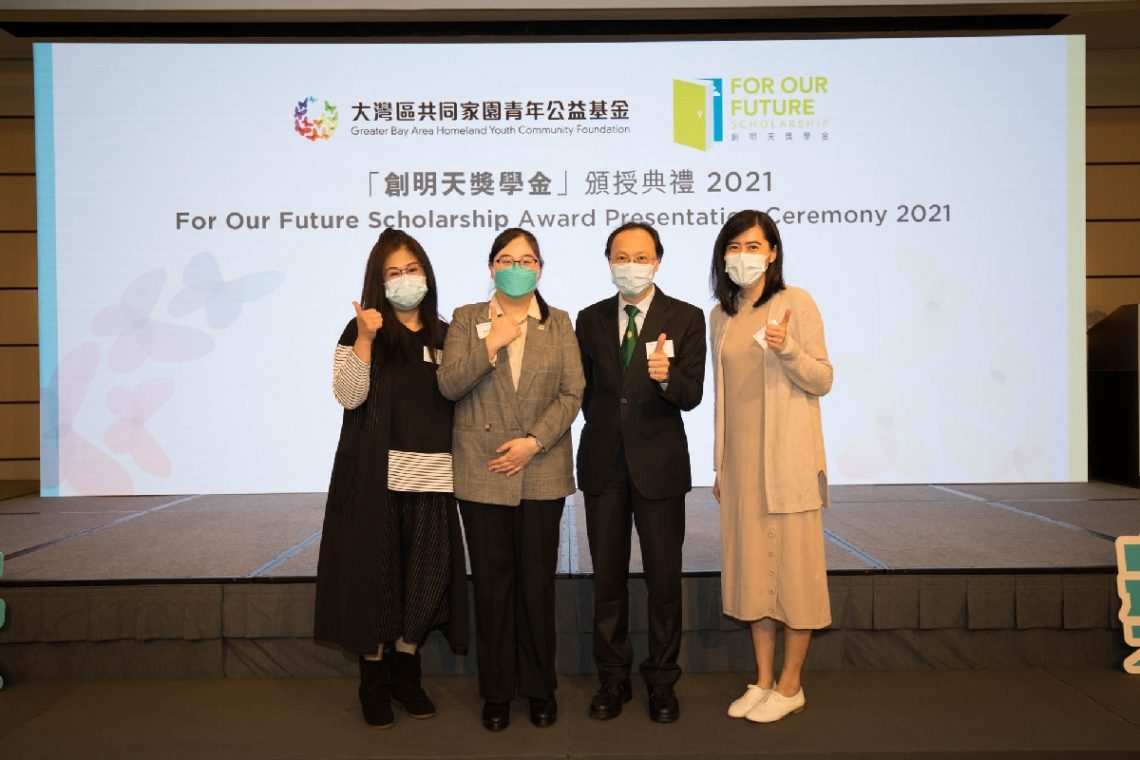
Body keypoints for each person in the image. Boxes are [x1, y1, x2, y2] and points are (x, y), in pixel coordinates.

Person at [314, 228, 468, 730]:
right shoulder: (360, 331)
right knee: (379, 587)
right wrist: (363, 337)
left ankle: (408, 678)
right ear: (379, 282)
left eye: (413, 270)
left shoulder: (449, 336)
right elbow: (349, 395)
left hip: (434, 483)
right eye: (393, 273)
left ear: (427, 274)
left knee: (423, 586)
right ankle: (374, 684)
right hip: (374, 487)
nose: (406, 280)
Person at [437, 228, 584, 732]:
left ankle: (541, 689)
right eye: (505, 258)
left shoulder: (560, 323)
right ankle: (496, 692)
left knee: (537, 588)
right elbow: (450, 384)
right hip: (482, 472)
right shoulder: (465, 320)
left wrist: (533, 442)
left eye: (526, 259)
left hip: (540, 471)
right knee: (493, 589)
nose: (515, 266)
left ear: (540, 268)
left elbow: (572, 393)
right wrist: (490, 346)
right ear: (490, 267)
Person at [575, 222, 706, 723]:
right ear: (608, 260)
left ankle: (661, 681)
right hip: (604, 465)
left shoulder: (686, 317)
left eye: (641, 256)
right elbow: (587, 394)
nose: (631, 265)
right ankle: (612, 678)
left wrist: (667, 378)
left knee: (663, 581)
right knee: (607, 579)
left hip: (660, 466)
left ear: (658, 261)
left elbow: (691, 395)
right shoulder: (588, 319)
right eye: (621, 256)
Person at [708, 210, 833, 724]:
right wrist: (719, 465)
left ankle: (791, 683)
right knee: (753, 577)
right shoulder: (721, 314)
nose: (744, 255)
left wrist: (789, 352)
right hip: (739, 466)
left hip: (789, 462)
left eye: (754, 245)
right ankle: (762, 679)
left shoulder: (794, 302)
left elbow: (822, 378)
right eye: (734, 246)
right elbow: (722, 398)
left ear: (773, 252)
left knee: (796, 576)